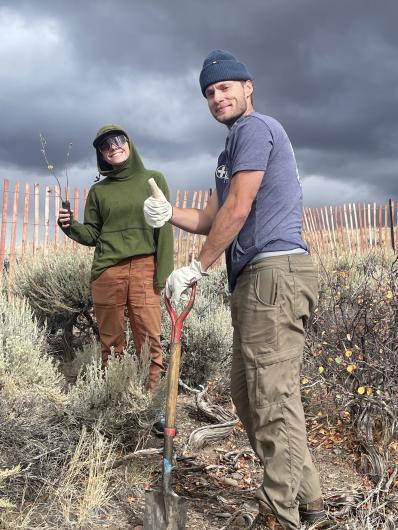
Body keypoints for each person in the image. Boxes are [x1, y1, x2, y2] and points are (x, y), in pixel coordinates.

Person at [143, 51, 329, 529]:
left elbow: (240, 209)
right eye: (209, 92)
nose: (217, 97)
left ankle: (277, 515)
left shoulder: (255, 129)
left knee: (269, 397)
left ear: (248, 87)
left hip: (275, 272)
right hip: (256, 279)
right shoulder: (229, 151)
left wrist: (197, 269)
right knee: (253, 396)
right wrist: (171, 216)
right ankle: (308, 502)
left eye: (225, 87)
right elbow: (211, 218)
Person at [58, 124, 173, 434]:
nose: (113, 147)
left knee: (149, 340)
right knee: (111, 342)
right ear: (101, 154)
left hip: (145, 267)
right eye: (105, 146)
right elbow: (93, 234)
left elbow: (164, 229)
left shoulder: (153, 180)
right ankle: (116, 404)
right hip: (108, 272)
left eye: (118, 141)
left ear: (129, 143)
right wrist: (70, 226)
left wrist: (164, 275)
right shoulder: (99, 191)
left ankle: (149, 407)